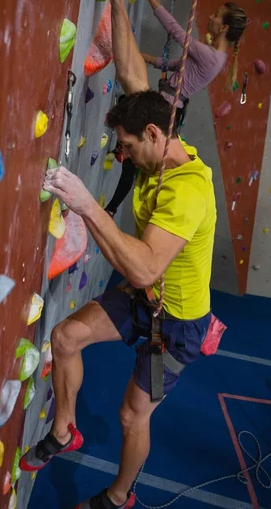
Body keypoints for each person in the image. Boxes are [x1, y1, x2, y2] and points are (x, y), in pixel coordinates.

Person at [20, 90, 216, 509]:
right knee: (65, 337)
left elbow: (145, 268)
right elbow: (132, 74)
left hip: (179, 326)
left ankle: (118, 496)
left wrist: (88, 205)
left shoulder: (187, 192)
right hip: (146, 300)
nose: (122, 156)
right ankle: (63, 431)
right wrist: (121, 20)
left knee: (132, 415)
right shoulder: (159, 147)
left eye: (126, 146)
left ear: (151, 133)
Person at [104, 0, 247, 219]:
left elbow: (177, 32)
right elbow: (174, 65)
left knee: (133, 154)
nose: (211, 17)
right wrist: (142, 57)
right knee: (126, 111)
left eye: (216, 15)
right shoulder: (211, 57)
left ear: (223, 28)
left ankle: (112, 206)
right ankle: (119, 165)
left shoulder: (212, 57)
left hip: (167, 105)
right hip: (168, 103)